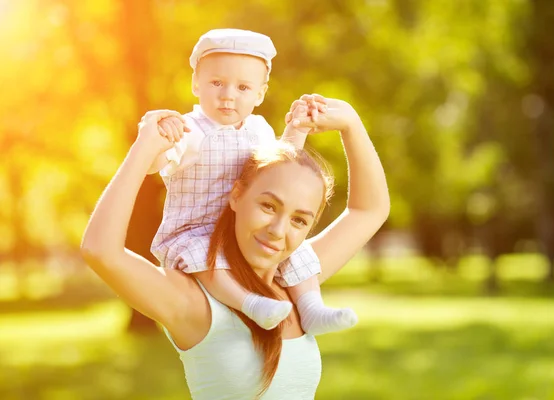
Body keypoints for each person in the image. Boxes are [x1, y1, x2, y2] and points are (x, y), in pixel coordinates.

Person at [80, 95, 390, 399]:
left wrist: (351, 123)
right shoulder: (194, 302)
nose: (277, 231)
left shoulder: (294, 284)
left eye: (298, 220)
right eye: (268, 206)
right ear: (237, 196)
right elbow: (101, 250)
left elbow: (369, 210)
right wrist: (144, 149)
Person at [148, 28, 356, 335]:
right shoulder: (189, 130)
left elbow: (281, 167)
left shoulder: (258, 129)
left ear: (260, 93)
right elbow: (153, 164)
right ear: (196, 83)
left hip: (244, 229)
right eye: (217, 82)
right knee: (206, 256)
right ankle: (250, 304)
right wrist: (156, 137)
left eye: (243, 87)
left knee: (295, 249)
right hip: (194, 231)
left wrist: (297, 128)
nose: (228, 95)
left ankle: (311, 307)